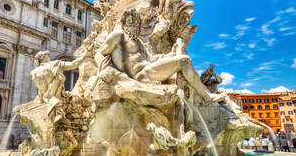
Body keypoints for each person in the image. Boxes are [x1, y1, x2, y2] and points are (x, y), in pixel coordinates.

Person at [95, 8, 226, 104]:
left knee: (184, 78)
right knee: (184, 61)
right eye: (129, 21)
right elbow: (99, 54)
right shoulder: (118, 36)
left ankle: (194, 114)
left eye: (135, 21)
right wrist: (104, 71)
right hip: (140, 76)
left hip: (149, 71)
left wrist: (172, 53)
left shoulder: (139, 42)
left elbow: (153, 59)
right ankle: (207, 97)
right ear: (124, 23)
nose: (133, 24)